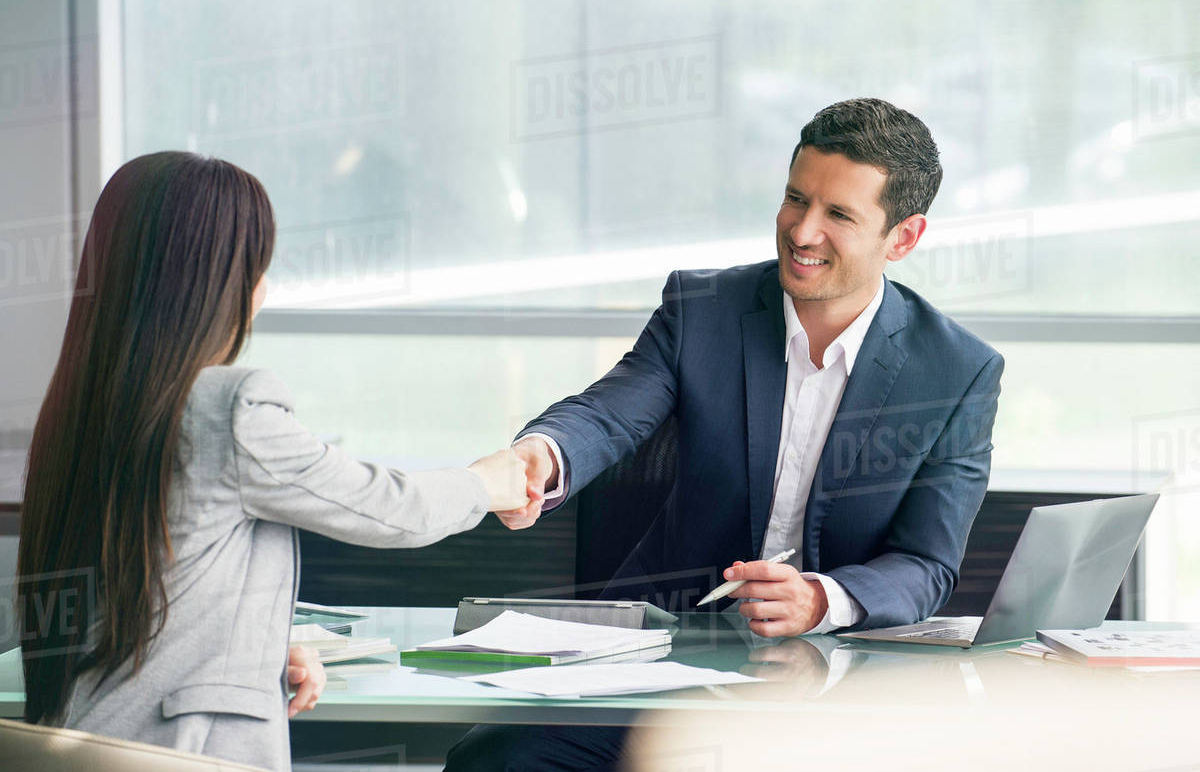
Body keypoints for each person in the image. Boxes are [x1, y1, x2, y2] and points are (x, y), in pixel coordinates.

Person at [446, 98, 1004, 771]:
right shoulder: (702, 310)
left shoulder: (957, 370)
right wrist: (541, 455)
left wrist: (820, 598)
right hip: (664, 662)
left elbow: (926, 563)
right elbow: (608, 413)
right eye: (795, 199)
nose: (803, 231)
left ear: (904, 238)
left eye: (839, 214)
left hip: (832, 684)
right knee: (497, 757)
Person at [16, 152, 538, 772]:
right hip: (181, 755)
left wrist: (256, 653)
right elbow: (390, 509)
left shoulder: (82, 408)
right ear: (223, 282)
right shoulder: (227, 408)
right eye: (257, 264)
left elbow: (144, 587)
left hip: (80, 742)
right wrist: (484, 483)